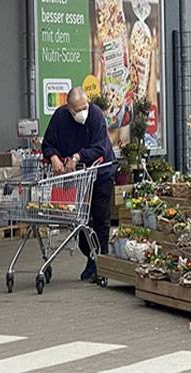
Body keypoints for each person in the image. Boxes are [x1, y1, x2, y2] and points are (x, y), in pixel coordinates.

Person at [41, 87, 116, 282]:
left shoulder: (96, 116)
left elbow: (100, 148)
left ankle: (100, 264)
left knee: (100, 218)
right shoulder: (60, 118)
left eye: (85, 107)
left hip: (100, 172)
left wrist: (78, 156)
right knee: (79, 220)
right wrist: (54, 158)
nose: (83, 112)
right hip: (77, 177)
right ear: (69, 108)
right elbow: (48, 144)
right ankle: (91, 257)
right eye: (78, 109)